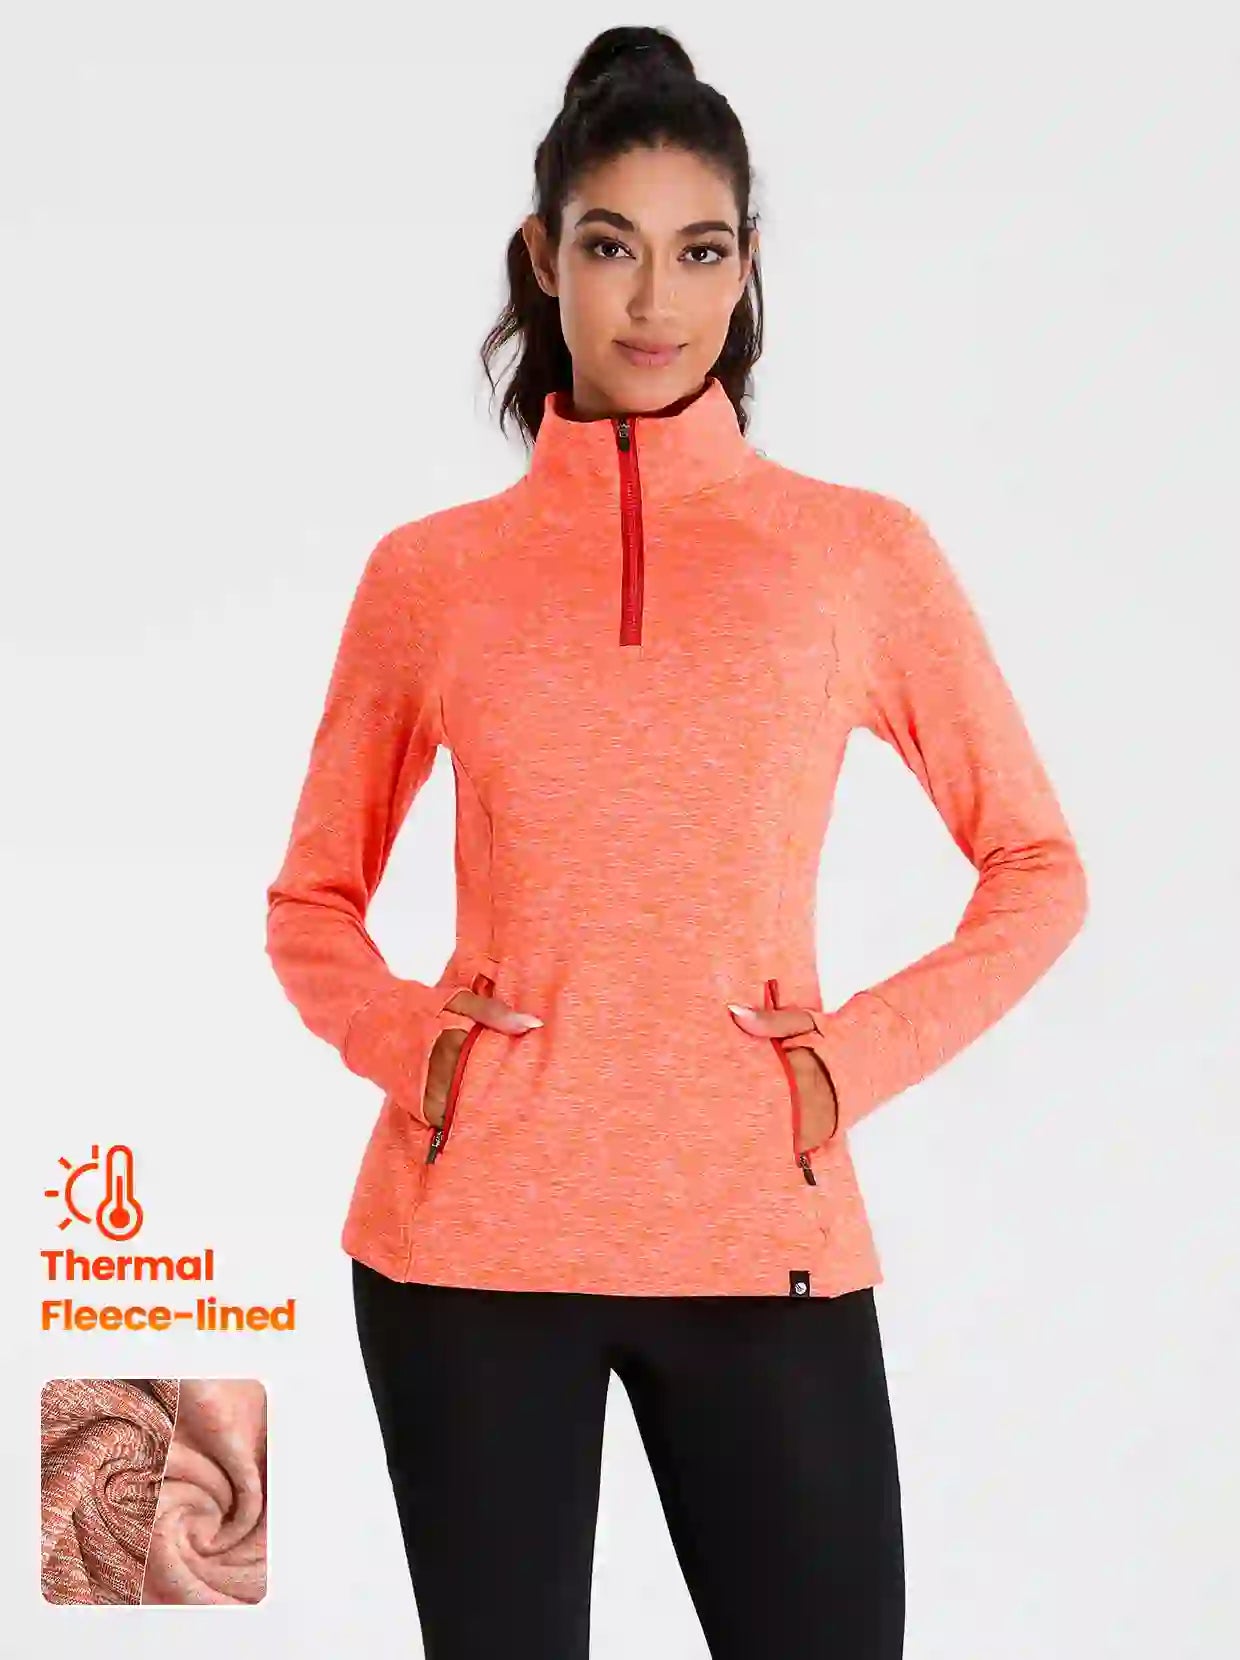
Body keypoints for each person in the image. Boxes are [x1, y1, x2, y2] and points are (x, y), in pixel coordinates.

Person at [263, 24, 1088, 1659]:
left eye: (700, 251)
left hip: (761, 1238)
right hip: (470, 1255)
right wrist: (421, 1053)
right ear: (543, 256)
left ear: (748, 266)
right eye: (611, 246)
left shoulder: (853, 556)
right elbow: (311, 904)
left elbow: (1039, 871)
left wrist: (846, 1064)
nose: (655, 300)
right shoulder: (433, 575)